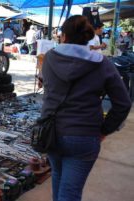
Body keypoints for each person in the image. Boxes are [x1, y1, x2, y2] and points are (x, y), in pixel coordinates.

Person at [41, 15, 131, 201]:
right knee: (70, 191)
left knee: (58, 180)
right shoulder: (102, 64)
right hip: (84, 136)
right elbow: (123, 103)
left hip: (50, 132)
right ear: (87, 37)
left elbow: (49, 89)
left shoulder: (49, 58)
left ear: (63, 36)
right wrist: (105, 129)